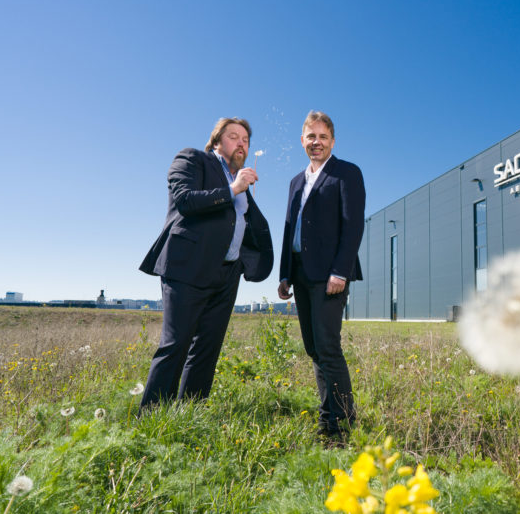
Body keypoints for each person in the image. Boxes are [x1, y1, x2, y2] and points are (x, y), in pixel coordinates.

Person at [138, 117, 273, 410]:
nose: (241, 144)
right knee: (176, 345)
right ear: (215, 142)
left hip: (227, 274)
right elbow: (185, 201)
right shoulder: (192, 159)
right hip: (188, 267)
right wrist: (233, 189)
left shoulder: (240, 181)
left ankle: (190, 415)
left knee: (207, 350)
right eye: (234, 137)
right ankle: (151, 421)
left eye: (246, 140)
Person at [277, 111, 365, 440]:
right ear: (302, 141)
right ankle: (327, 418)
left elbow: (353, 225)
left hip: (330, 275)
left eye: (323, 137)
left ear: (332, 141)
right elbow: (289, 230)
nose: (317, 142)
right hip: (300, 274)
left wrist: (340, 270)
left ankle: (341, 426)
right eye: (311, 137)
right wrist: (285, 273)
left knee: (328, 347)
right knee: (313, 348)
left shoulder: (346, 173)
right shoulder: (295, 182)